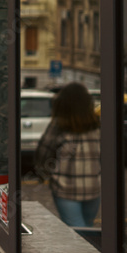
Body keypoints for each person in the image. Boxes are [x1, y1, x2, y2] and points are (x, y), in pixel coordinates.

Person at [34, 82, 101, 228]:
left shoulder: (58, 126)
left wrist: (43, 173)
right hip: (93, 187)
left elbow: (44, 152)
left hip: (66, 189)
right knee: (87, 227)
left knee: (77, 230)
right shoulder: (97, 126)